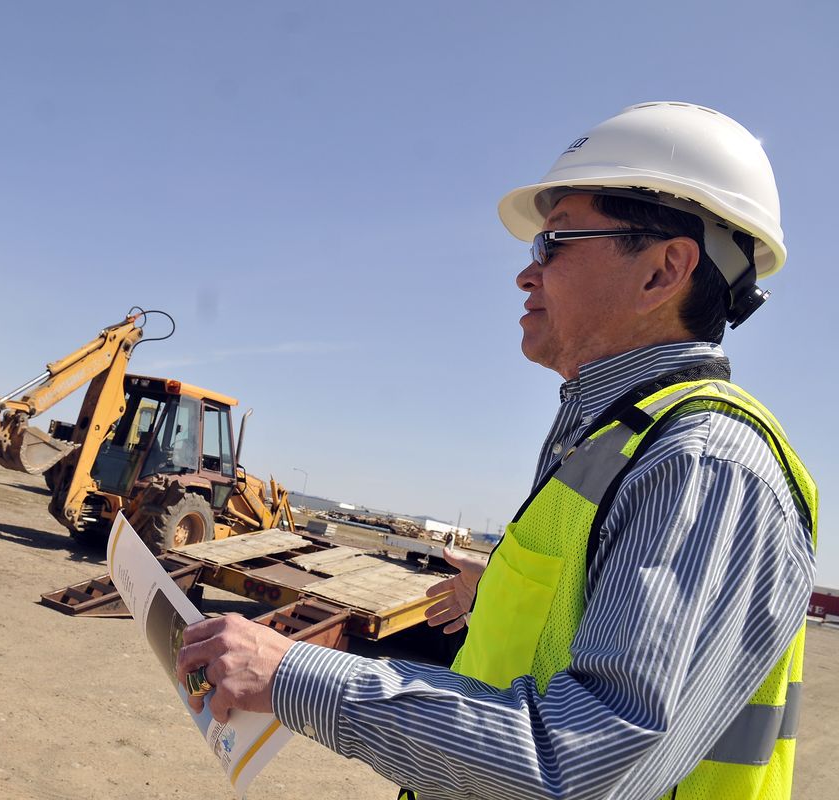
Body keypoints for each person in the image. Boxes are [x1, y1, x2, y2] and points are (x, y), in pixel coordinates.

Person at [175, 102, 817, 799]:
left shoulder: (705, 463)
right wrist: (501, 599)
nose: (526, 273)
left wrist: (295, 676)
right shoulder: (617, 437)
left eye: (554, 244)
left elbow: (582, 768)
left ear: (664, 271)